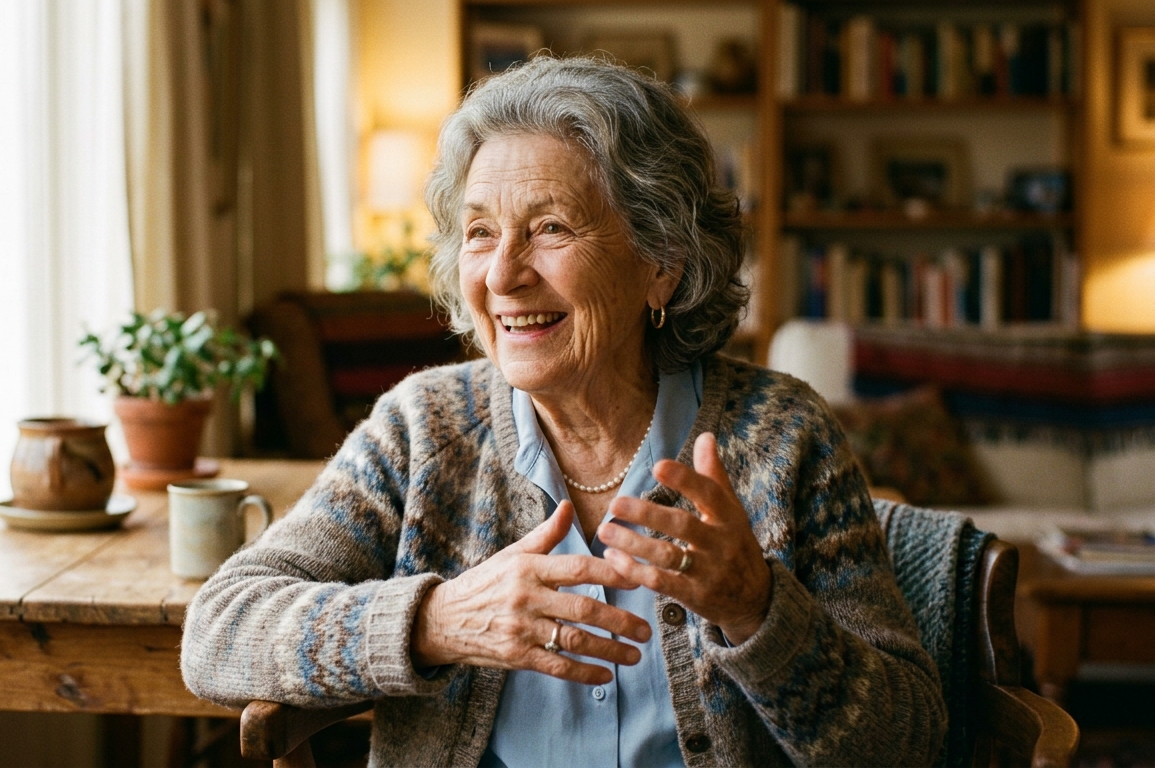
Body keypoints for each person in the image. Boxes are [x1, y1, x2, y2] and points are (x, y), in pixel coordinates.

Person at [181, 56, 945, 767]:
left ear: (662, 263)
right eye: (480, 233)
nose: (504, 275)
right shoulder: (424, 430)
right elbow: (220, 633)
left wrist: (759, 611)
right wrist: (436, 621)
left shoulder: (781, 437)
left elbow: (908, 740)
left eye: (550, 228)